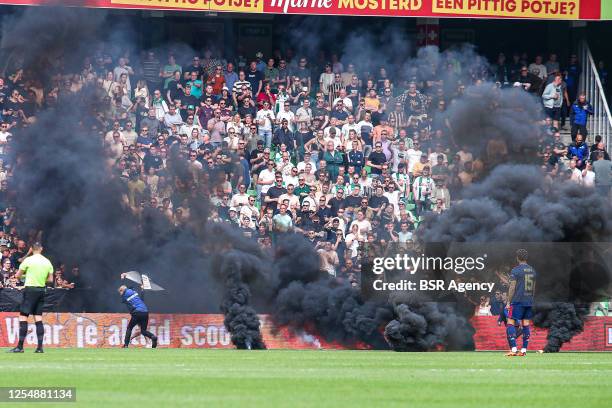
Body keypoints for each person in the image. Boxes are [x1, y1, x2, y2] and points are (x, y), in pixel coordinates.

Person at [8, 242, 54, 353]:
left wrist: (25, 275)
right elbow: (50, 280)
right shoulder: (47, 262)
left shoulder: (28, 260)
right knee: (38, 318)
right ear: (41, 249)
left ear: (31, 249)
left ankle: (20, 347)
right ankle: (39, 348)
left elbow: (18, 275)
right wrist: (41, 278)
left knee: (23, 317)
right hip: (41, 290)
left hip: (30, 291)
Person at [505, 249, 536, 357]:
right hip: (529, 301)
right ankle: (523, 350)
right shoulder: (532, 270)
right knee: (526, 324)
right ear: (526, 258)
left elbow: (512, 287)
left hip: (517, 301)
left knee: (510, 322)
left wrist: (508, 301)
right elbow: (533, 288)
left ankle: (513, 349)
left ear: (517, 258)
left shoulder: (516, 270)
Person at [118, 273, 158, 348]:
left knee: (129, 328)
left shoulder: (124, 295)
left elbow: (122, 288)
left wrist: (123, 278)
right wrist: (142, 290)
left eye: (120, 292)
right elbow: (142, 300)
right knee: (143, 331)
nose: (120, 294)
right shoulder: (134, 292)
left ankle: (126, 345)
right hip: (145, 312)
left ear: (122, 291)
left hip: (137, 312)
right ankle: (153, 337)